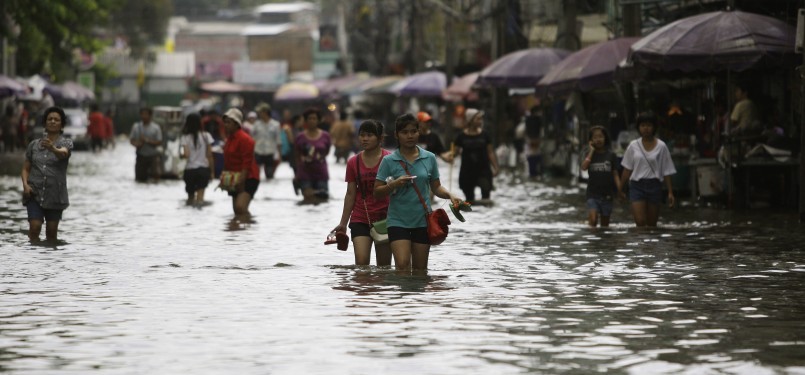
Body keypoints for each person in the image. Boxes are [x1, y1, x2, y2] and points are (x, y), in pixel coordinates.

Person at [374, 113, 462, 271]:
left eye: (413, 131)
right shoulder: (388, 161)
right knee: (402, 265)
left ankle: (417, 297)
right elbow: (377, 192)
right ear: (397, 135)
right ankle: (403, 295)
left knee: (420, 271)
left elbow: (436, 187)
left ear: (418, 132)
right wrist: (394, 184)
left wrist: (450, 195)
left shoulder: (429, 158)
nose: (410, 136)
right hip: (397, 221)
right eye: (405, 132)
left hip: (422, 221)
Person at [332, 120, 393, 266]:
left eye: (370, 135)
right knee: (361, 264)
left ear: (380, 138)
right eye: (362, 135)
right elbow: (350, 194)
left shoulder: (390, 159)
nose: (364, 139)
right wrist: (343, 223)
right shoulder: (353, 162)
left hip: (385, 217)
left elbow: (398, 190)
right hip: (360, 217)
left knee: (384, 267)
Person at [21, 106, 73, 242]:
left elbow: (63, 153)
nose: (53, 121)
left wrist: (52, 148)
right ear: (45, 123)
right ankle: (32, 257)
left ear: (61, 124)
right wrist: (25, 185)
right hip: (34, 193)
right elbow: (26, 169)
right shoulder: (33, 145)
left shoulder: (66, 142)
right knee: (34, 227)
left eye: (56, 119)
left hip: (55, 195)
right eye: (50, 119)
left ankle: (48, 261)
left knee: (51, 234)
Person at [618, 111, 676, 227]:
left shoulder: (661, 146)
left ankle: (649, 245)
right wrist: (620, 189)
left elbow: (666, 170)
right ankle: (641, 245)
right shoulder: (633, 146)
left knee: (651, 224)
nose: (646, 128)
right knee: (640, 222)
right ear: (638, 127)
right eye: (643, 125)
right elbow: (627, 169)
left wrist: (670, 192)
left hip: (654, 185)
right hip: (637, 186)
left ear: (654, 127)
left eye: (649, 125)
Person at [451, 108, 499, 204]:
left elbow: (490, 152)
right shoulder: (461, 136)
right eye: (478, 119)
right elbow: (454, 153)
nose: (480, 121)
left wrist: (495, 167)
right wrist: (448, 156)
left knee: (486, 199)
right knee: (469, 200)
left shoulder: (485, 134)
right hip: (467, 171)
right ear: (470, 120)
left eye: (481, 119)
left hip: (484, 170)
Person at [222, 108, 260, 216]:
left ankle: (250, 228)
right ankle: (242, 230)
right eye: (225, 122)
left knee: (240, 208)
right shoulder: (229, 139)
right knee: (237, 212)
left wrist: (241, 182)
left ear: (236, 124)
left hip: (248, 177)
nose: (225, 125)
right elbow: (228, 160)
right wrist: (225, 180)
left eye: (228, 122)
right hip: (234, 177)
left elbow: (246, 163)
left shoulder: (245, 139)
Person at [580, 126, 621, 227]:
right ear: (591, 140)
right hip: (592, 194)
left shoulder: (611, 155)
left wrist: (620, 190)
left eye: (601, 136)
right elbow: (584, 167)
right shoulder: (589, 154)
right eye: (595, 137)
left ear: (605, 138)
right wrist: (592, 151)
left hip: (607, 195)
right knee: (593, 221)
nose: (598, 139)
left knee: (604, 227)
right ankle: (592, 241)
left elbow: (615, 174)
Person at [295, 107, 331, 203]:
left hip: (321, 172)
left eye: (314, 118)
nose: (312, 121)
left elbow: (327, 151)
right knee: (308, 199)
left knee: (322, 199)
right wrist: (296, 175)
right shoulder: (300, 137)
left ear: (318, 120)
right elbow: (297, 155)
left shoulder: (325, 136)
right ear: (306, 120)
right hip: (305, 173)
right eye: (309, 118)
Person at [180, 113, 215, 206]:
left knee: (190, 199)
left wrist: (181, 155)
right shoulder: (206, 136)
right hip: (203, 170)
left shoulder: (185, 137)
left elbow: (186, 155)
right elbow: (210, 155)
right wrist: (212, 172)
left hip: (190, 170)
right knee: (200, 200)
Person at [129, 107, 163, 182]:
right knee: (139, 178)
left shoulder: (155, 127)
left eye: (146, 114)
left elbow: (159, 141)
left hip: (153, 155)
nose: (144, 116)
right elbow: (132, 140)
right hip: (141, 155)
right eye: (142, 114)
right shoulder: (136, 127)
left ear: (150, 116)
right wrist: (137, 144)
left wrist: (147, 141)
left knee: (156, 174)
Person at [252, 102, 282, 180]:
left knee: (269, 175)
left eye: (260, 112)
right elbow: (251, 138)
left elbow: (278, 140)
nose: (259, 114)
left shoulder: (275, 124)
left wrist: (279, 154)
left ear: (265, 112)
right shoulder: (256, 124)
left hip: (270, 152)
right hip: (258, 151)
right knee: (255, 174)